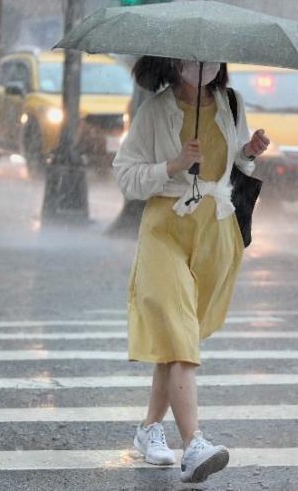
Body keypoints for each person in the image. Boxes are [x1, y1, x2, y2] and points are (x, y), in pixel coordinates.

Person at [113, 56, 269, 484]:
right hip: (166, 230)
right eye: (191, 59)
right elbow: (125, 176)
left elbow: (236, 166)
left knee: (176, 338)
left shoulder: (230, 103)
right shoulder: (154, 111)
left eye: (210, 59)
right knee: (180, 336)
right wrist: (173, 165)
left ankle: (148, 430)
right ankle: (193, 444)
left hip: (215, 233)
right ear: (174, 63)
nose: (201, 66)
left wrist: (249, 153)